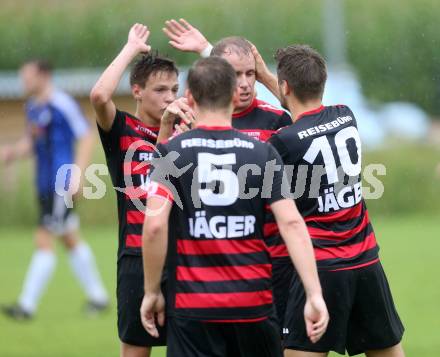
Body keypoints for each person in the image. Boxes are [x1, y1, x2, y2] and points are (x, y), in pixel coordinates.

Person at [140, 56, 329, 357]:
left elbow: (154, 225)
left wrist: (151, 291)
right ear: (232, 95)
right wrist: (314, 293)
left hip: (192, 306)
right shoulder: (262, 153)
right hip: (252, 303)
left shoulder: (170, 152)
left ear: (189, 97)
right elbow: (292, 223)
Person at [268, 44, 405, 356]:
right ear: (322, 82)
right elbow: (303, 114)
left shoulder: (282, 142)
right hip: (367, 262)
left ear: (284, 87)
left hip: (322, 267)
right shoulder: (346, 116)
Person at [162, 18, 294, 329]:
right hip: (206, 265)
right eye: (236, 75)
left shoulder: (276, 118)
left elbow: (309, 115)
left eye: (251, 74)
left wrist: (263, 73)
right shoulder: (194, 122)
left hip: (268, 263)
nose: (246, 83)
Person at [90, 23, 193, 357]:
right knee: (136, 350)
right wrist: (131, 48)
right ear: (137, 91)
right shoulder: (122, 128)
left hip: (182, 256)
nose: (169, 97)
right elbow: (98, 96)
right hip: (136, 257)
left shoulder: (187, 132)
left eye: (174, 89)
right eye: (160, 90)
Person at [0, 59, 109, 320]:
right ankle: (99, 298)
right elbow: (32, 141)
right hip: (43, 183)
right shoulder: (33, 108)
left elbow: (85, 134)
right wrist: (11, 154)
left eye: (27, 76)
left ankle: (26, 307)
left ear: (43, 76)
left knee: (44, 238)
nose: (23, 81)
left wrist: (78, 173)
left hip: (61, 183)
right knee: (69, 238)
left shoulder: (62, 103)